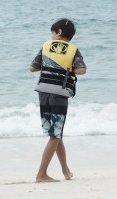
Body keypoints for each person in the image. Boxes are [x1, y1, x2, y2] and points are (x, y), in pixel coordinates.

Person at [30, 17, 87, 183]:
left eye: (52, 33)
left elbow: (33, 67)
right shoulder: (73, 50)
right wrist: (69, 68)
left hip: (42, 92)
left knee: (55, 133)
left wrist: (51, 64)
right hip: (59, 94)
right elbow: (82, 70)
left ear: (59, 32)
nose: (52, 36)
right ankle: (41, 174)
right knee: (55, 136)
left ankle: (66, 171)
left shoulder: (46, 46)